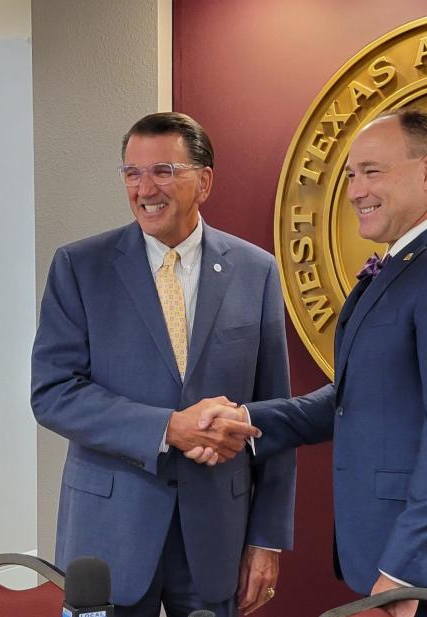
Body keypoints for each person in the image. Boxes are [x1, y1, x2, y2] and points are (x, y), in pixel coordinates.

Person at [195, 108, 427, 617]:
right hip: (389, 558)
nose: (353, 191)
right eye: (350, 175)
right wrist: (250, 420)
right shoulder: (402, 265)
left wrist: (406, 571)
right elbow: (354, 398)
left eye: (372, 171)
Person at [31, 112, 296, 617]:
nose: (144, 188)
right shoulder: (79, 267)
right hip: (108, 535)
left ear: (205, 181)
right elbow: (53, 392)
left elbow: (274, 417)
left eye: (164, 171)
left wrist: (266, 540)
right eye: (132, 172)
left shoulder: (256, 271)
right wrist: (167, 428)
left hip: (218, 537)